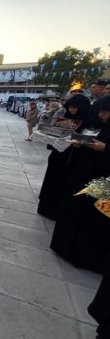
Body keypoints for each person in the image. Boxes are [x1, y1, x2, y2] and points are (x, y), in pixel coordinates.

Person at [50, 96, 110, 272]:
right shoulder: (97, 123)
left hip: (103, 181)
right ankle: (66, 247)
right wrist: (80, 144)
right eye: (100, 112)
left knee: (94, 218)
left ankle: (86, 257)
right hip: (84, 174)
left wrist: (105, 148)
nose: (101, 115)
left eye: (105, 112)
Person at [37, 94, 92, 220]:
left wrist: (77, 138)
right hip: (58, 155)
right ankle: (45, 207)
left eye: (75, 108)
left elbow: (88, 140)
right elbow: (54, 132)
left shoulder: (88, 121)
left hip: (73, 159)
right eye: (70, 107)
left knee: (64, 185)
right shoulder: (64, 118)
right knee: (52, 181)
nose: (72, 110)